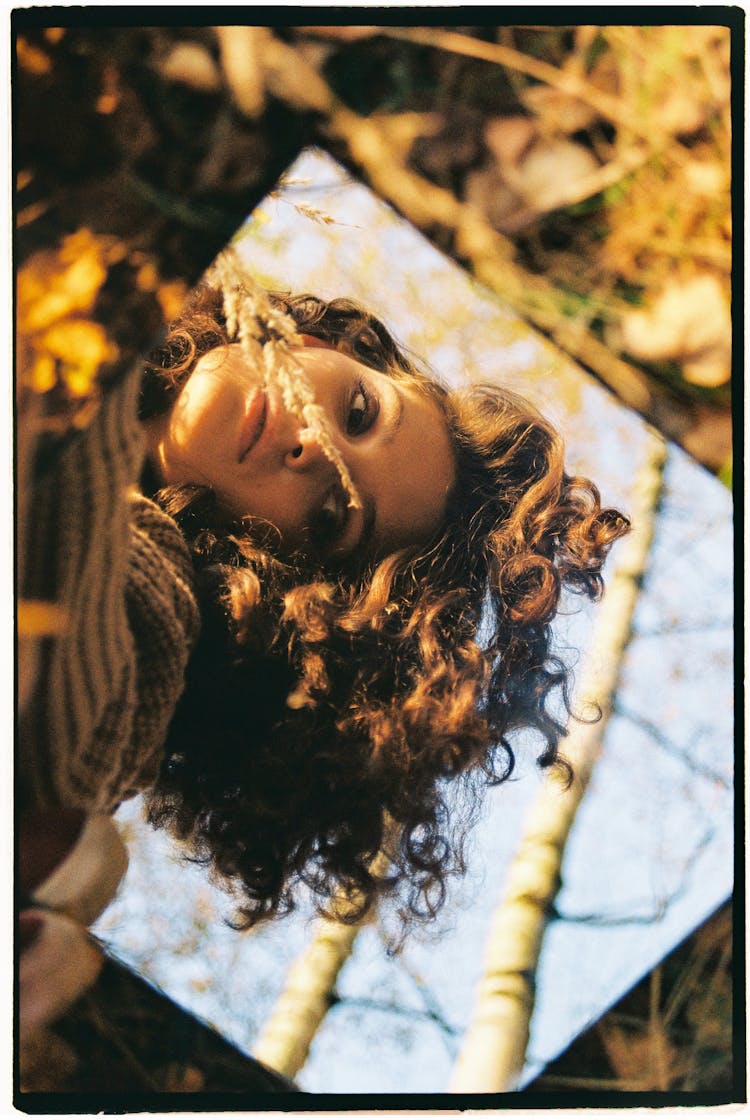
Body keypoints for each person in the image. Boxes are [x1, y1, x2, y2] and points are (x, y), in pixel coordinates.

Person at [20, 278, 629, 935]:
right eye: (361, 413)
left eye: (333, 517)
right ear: (318, 346)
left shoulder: (141, 638)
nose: (318, 448)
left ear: (275, 587)